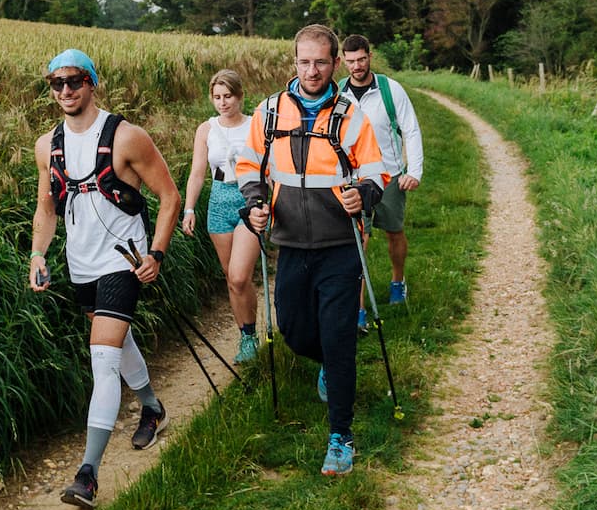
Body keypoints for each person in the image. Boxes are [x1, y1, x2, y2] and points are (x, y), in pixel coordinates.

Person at [28, 48, 182, 509]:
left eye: (74, 81)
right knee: (116, 342)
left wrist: (156, 253)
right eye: (56, 84)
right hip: (81, 265)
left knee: (102, 358)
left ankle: (88, 474)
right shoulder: (46, 145)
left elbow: (169, 196)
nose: (66, 91)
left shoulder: (126, 136)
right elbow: (46, 206)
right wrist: (37, 253)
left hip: (123, 261)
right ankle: (153, 407)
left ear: (92, 82)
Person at [236, 25, 388, 476]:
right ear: (295, 62)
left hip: (340, 245)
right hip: (290, 245)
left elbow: (376, 171)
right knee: (295, 332)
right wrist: (255, 203)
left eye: (321, 62)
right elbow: (250, 165)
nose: (313, 70)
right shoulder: (267, 113)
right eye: (305, 62)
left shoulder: (350, 114)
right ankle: (326, 362)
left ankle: (340, 437)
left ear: (335, 63)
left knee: (339, 339)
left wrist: (364, 193)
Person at [340, 35, 424, 323]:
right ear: (343, 62)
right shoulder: (338, 94)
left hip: (389, 176)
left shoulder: (390, 90)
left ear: (370, 57)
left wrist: (414, 171)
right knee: (357, 241)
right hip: (355, 180)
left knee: (394, 232)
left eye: (361, 59)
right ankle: (359, 308)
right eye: (350, 61)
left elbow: (410, 129)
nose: (356, 66)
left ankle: (398, 281)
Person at [180, 69, 261, 363]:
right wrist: (189, 209)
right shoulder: (206, 129)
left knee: (240, 276)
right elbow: (198, 172)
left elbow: (269, 167)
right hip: (218, 201)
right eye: (217, 97)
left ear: (240, 96)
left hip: (248, 200)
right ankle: (247, 336)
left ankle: (250, 335)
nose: (223, 102)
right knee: (231, 277)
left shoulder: (255, 125)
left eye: (228, 96)